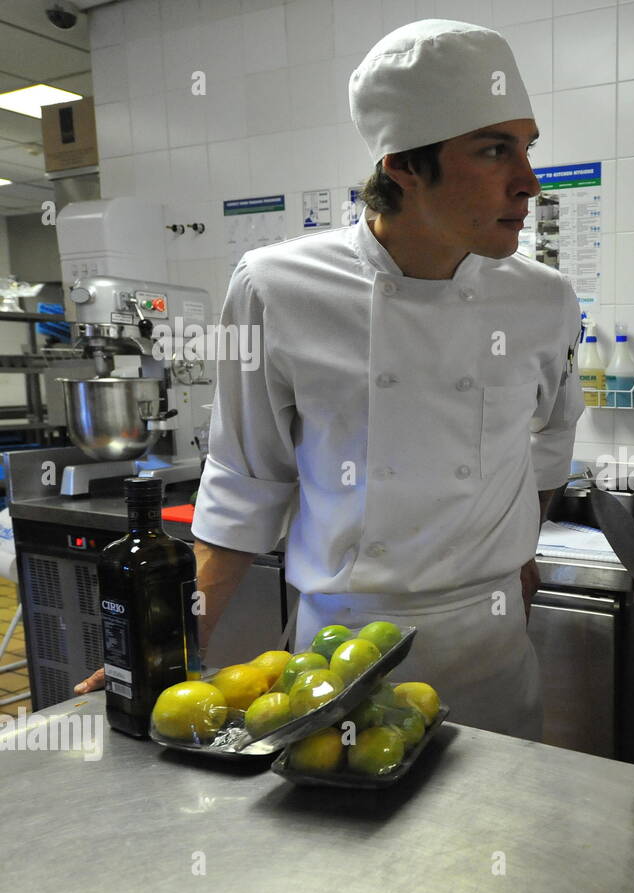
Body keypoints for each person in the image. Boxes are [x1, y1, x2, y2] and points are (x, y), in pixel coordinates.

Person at [77, 20, 583, 740]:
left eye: (527, 145)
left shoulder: (543, 299)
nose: (529, 180)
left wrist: (516, 560)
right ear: (404, 164)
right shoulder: (276, 287)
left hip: (490, 657)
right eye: (495, 149)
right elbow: (243, 484)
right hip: (337, 661)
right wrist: (176, 650)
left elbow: (551, 437)